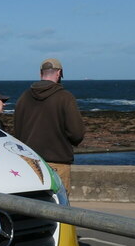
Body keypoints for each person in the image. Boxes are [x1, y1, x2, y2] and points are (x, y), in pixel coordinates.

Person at [13, 58, 84, 192]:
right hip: (58, 162)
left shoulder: (24, 97)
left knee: (32, 204)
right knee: (58, 206)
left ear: (41, 74)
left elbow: (17, 132)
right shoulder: (65, 97)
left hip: (30, 162)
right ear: (59, 74)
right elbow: (77, 133)